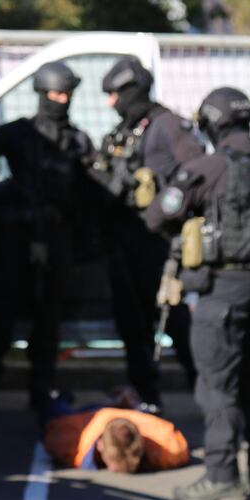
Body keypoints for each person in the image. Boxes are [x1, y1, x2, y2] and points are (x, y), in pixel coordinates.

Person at [143, 87, 250, 500]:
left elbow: (160, 214)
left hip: (221, 291)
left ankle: (221, 476)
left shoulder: (208, 167)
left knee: (217, 385)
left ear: (213, 124)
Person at [0, 61, 94, 415]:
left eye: (67, 94)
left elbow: (92, 197)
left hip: (56, 242)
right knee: (0, 318)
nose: (61, 100)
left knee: (48, 323)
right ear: (41, 94)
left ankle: (40, 392)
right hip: (15, 240)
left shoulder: (78, 142)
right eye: (55, 94)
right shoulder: (18, 133)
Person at [90, 57, 202, 410]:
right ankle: (148, 399)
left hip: (158, 247)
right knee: (132, 327)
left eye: (114, 94)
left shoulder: (168, 125)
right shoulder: (125, 131)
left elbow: (197, 172)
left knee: (176, 323)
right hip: (123, 244)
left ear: (130, 90)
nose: (110, 103)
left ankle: (209, 397)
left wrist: (162, 212)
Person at [42, 388, 190, 473]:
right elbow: (51, 433)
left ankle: (122, 402)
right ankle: (61, 397)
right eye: (114, 459)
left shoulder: (166, 447)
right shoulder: (75, 441)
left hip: (136, 417)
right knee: (54, 413)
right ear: (100, 445)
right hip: (94, 416)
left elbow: (179, 447)